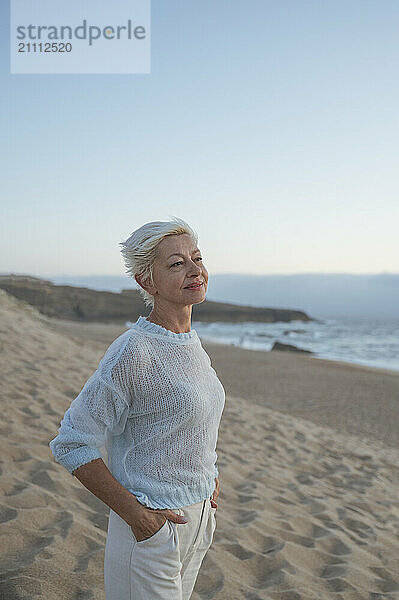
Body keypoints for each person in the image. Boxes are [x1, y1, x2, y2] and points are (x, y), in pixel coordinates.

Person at [49, 216, 226, 600]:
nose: (195, 270)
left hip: (197, 525)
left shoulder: (190, 344)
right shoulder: (133, 351)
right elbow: (71, 443)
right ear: (147, 282)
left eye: (197, 258)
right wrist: (137, 517)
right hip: (150, 531)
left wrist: (209, 481)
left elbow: (193, 425)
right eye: (177, 264)